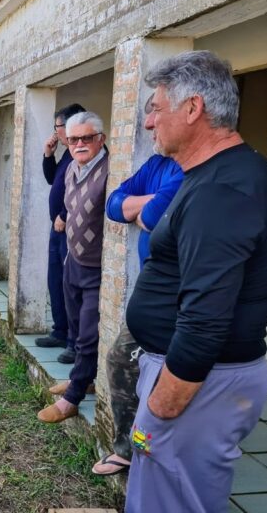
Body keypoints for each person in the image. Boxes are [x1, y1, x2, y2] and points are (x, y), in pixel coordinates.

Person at [125, 50, 267, 512]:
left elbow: (205, 318)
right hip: (196, 377)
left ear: (193, 108)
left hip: (197, 383)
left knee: (175, 502)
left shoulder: (224, 189)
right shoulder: (219, 177)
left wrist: (162, 405)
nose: (149, 123)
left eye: (155, 108)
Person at [94, 139, 183, 476]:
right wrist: (146, 203)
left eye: (157, 112)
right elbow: (114, 204)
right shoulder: (156, 164)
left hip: (178, 293)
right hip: (152, 289)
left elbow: (152, 216)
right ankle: (131, 450)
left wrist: (143, 206)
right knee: (125, 362)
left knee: (141, 368)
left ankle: (146, 454)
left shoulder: (188, 166)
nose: (151, 126)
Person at [38, 112, 109, 424]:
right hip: (74, 259)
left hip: (98, 265)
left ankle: (73, 398)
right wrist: (64, 218)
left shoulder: (111, 170)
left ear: (100, 139)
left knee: (89, 333)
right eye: (75, 138)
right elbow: (70, 204)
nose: (80, 144)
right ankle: (83, 377)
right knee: (77, 327)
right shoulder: (71, 169)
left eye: (87, 138)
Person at [35, 103, 86, 369]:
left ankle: (75, 343)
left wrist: (65, 214)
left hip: (72, 230)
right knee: (55, 280)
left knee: (71, 285)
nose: (55, 132)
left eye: (57, 127)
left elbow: (82, 190)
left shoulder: (84, 154)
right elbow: (51, 180)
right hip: (57, 230)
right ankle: (60, 330)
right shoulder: (67, 153)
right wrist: (48, 154)